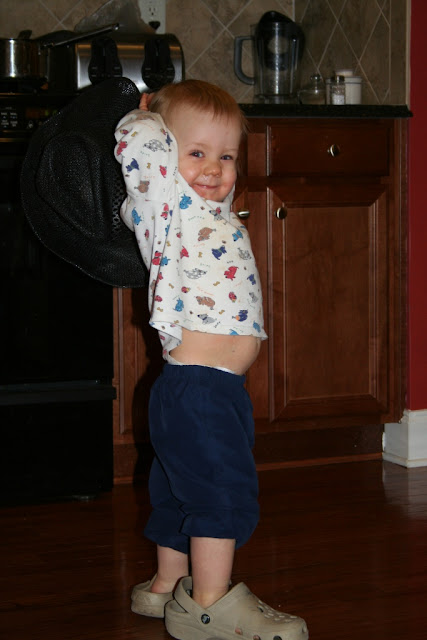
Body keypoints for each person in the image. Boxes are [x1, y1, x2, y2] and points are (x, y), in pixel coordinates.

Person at [114, 80, 308, 640]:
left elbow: (208, 168)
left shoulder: (208, 207)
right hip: (199, 389)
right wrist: (143, 113)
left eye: (226, 156)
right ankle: (208, 605)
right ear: (164, 152)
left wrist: (200, 145)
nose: (213, 168)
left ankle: (165, 586)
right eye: (195, 152)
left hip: (206, 389)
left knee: (182, 487)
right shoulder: (163, 201)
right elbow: (139, 146)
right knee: (221, 488)